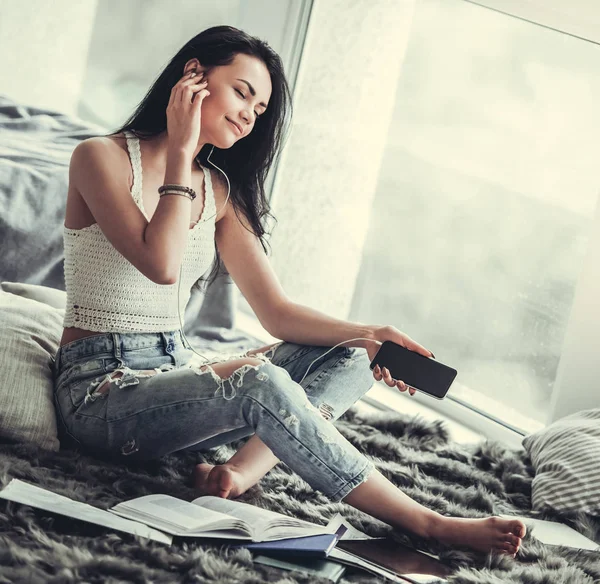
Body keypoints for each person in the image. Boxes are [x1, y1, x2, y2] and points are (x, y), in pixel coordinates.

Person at [52, 25, 526, 558]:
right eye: (242, 93)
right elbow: (159, 263)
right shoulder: (100, 157)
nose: (250, 114)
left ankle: (233, 473)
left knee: (345, 360)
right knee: (258, 380)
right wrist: (183, 145)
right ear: (194, 76)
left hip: (175, 371)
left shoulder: (221, 191)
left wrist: (369, 335)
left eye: (259, 108)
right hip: (101, 394)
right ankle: (425, 522)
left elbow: (275, 313)